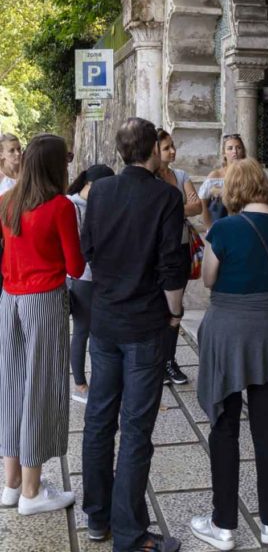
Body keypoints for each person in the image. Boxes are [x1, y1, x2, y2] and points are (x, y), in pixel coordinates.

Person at [81, 117, 186, 552]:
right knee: (136, 428)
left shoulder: (100, 191)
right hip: (144, 324)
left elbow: (88, 248)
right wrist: (174, 315)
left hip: (104, 321)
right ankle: (129, 533)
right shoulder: (166, 196)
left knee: (98, 420)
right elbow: (172, 264)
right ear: (149, 150)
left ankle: (97, 518)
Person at [191, 157, 268, 551]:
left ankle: (223, 526)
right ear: (264, 185)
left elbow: (208, 278)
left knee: (224, 424)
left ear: (234, 189)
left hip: (229, 330)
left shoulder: (223, 228)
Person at [0, 133, 83, 515]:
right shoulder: (60, 206)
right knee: (41, 387)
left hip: (9, 300)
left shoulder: (6, 202)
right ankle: (33, 490)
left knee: (13, 385)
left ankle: (11, 483)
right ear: (54, 166)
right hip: (43, 300)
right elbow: (75, 267)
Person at [66, 164, 115, 404]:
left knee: (98, 330)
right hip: (81, 277)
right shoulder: (72, 205)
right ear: (90, 184)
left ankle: (99, 382)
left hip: (100, 275)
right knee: (82, 329)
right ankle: (80, 385)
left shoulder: (100, 204)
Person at [156, 128, 201, 386]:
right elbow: (188, 205)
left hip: (181, 249)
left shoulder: (180, 175)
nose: (172, 151)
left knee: (176, 309)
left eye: (173, 146)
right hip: (157, 251)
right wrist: (180, 208)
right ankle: (157, 362)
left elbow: (198, 206)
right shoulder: (151, 179)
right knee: (159, 309)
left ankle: (169, 361)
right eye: (167, 148)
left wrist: (167, 209)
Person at [199, 134, 246, 229]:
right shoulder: (216, 176)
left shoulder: (249, 175)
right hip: (221, 226)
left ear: (243, 151)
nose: (235, 152)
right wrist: (210, 228)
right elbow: (202, 204)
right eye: (230, 148)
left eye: (238, 148)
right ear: (224, 153)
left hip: (244, 225)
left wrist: (221, 191)